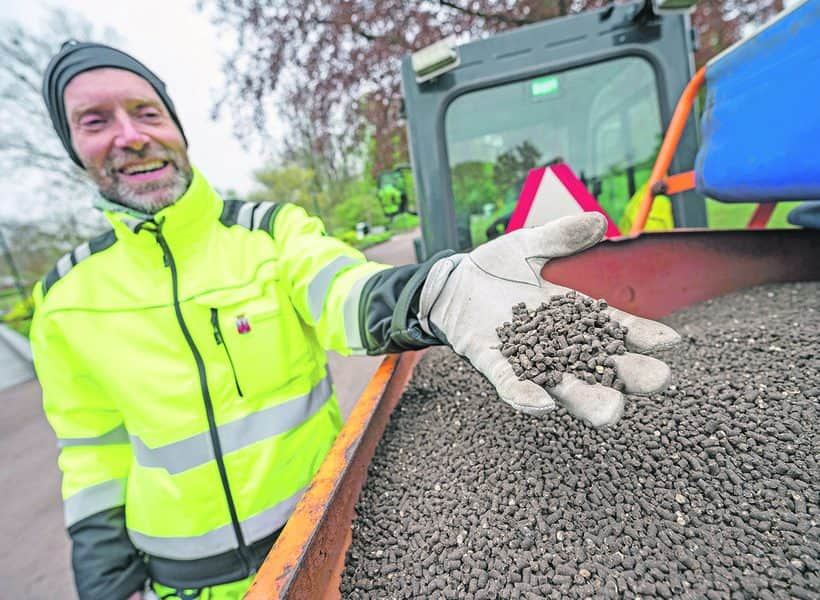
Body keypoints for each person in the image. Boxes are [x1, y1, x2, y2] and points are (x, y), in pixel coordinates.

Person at [32, 41, 679, 600]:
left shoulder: (268, 233)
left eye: (146, 112)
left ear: (176, 126)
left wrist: (436, 291)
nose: (129, 135)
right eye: (95, 121)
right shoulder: (64, 298)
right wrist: (111, 587)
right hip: (182, 582)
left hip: (324, 535)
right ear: (73, 147)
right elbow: (92, 456)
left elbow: (342, 289)